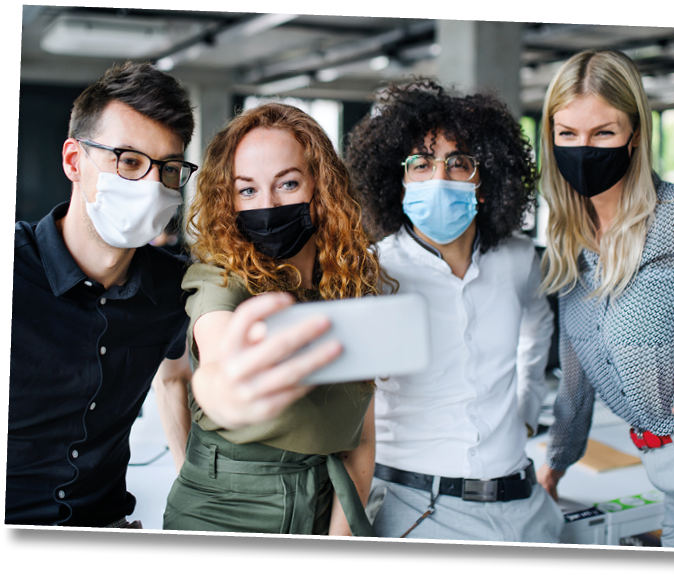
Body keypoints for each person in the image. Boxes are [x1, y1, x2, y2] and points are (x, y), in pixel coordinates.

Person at [535, 50, 674, 549]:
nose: (583, 149)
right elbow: (576, 378)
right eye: (568, 134)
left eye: (603, 133)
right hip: (668, 474)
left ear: (635, 135)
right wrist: (554, 468)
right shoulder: (572, 248)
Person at [345, 79, 563, 542]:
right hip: (415, 509)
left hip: (524, 508)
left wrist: (525, 410)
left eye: (458, 163)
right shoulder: (373, 275)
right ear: (398, 180)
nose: (438, 179)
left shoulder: (518, 259)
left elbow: (537, 326)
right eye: (421, 164)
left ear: (484, 183)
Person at [162, 103, 388, 536]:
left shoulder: (351, 285)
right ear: (227, 200)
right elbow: (218, 362)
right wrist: (228, 388)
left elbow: (361, 438)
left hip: (326, 500)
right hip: (223, 509)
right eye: (246, 190)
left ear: (320, 189)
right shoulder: (219, 277)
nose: (266, 205)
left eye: (287, 183)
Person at [6, 62, 197, 527]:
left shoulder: (173, 290)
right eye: (128, 161)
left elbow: (173, 379)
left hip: (106, 526)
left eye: (168, 169)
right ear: (74, 161)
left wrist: (191, 493)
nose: (152, 187)